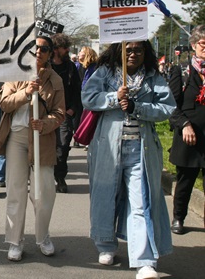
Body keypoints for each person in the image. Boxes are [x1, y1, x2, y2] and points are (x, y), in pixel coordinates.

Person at [82, 41, 175, 278]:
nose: (133, 54)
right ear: (119, 51)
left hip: (140, 150)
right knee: (105, 195)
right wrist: (114, 97)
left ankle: (144, 260)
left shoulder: (154, 77)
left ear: (146, 53)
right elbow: (88, 97)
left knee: (141, 201)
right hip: (107, 147)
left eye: (138, 50)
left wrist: (137, 106)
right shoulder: (105, 72)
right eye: (128, 50)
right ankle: (105, 244)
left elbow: (167, 108)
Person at [0, 36, 65, 261]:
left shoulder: (55, 80)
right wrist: (26, 92)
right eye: (35, 48)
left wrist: (45, 124)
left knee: (43, 192)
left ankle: (43, 236)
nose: (39, 52)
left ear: (50, 53)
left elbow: (60, 113)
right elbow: (4, 103)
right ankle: (15, 240)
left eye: (44, 48)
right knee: (15, 190)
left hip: (42, 139)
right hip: (17, 137)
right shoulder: (15, 73)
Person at [168, 25, 205, 235]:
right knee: (185, 180)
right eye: (203, 44)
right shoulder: (181, 71)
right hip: (188, 135)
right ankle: (178, 217)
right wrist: (184, 125)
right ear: (193, 46)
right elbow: (171, 104)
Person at [51, 33, 81, 193]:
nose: (68, 49)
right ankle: (45, 178)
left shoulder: (70, 67)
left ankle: (60, 176)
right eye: (64, 47)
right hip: (46, 113)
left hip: (64, 114)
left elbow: (77, 90)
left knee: (63, 146)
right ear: (56, 49)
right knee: (46, 146)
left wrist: (72, 110)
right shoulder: (46, 66)